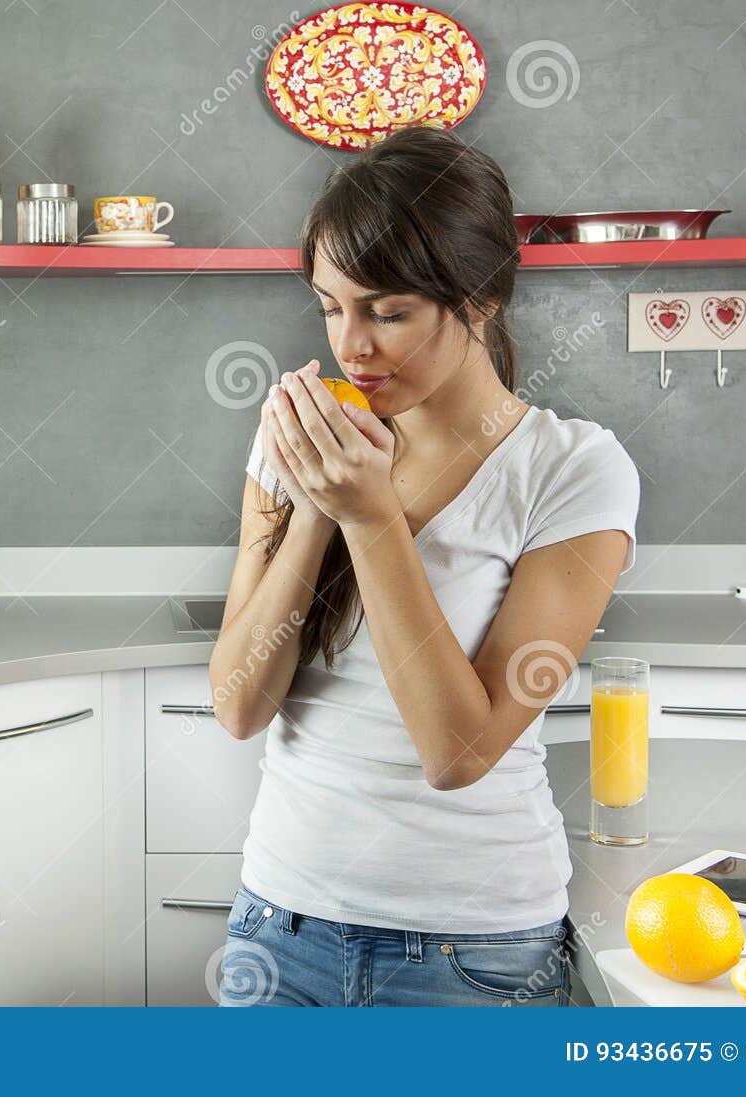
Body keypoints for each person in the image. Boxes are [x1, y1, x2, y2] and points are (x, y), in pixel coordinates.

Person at [209, 126, 639, 1007]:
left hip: (475, 954)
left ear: (479, 300)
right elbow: (239, 704)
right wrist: (319, 505)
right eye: (331, 308)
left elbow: (460, 749)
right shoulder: (299, 442)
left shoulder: (573, 470)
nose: (351, 346)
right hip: (279, 927)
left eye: (387, 310)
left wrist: (370, 516)